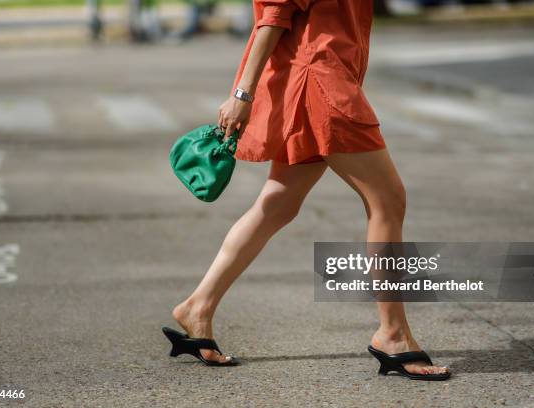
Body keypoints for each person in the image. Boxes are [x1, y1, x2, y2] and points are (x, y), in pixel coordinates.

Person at [163, 0, 450, 380]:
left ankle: (198, 307)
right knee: (388, 201)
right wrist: (242, 94)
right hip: (322, 85)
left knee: (278, 203)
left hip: (317, 81)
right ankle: (393, 334)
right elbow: (273, 16)